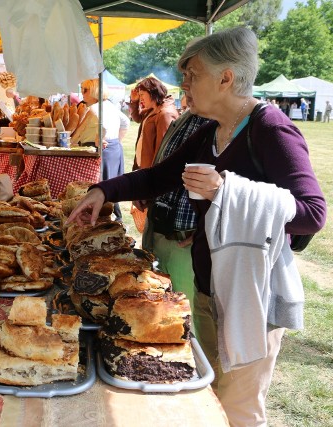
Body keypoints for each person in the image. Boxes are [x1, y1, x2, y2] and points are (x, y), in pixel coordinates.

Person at [67, 27, 326, 426]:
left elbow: (312, 211)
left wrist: (229, 189)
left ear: (226, 77)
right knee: (209, 396)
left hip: (254, 297)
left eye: (193, 74)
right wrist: (102, 191)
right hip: (210, 288)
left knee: (239, 409)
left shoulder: (271, 128)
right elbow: (158, 177)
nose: (184, 84)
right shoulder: (209, 132)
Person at [141, 97, 209, 330]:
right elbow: (165, 171)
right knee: (159, 313)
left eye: (193, 74)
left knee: (186, 321)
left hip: (187, 242)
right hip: (164, 230)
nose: (186, 83)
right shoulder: (189, 117)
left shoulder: (229, 125)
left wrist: (208, 226)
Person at [128, 76, 179, 231]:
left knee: (151, 223)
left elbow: (164, 153)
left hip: (153, 176)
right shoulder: (153, 109)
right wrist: (135, 100)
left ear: (153, 93)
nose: (141, 99)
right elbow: (137, 117)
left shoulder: (164, 113)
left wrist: (152, 181)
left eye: (143, 96)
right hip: (147, 173)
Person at [80, 78, 129, 220]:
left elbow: (104, 128)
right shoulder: (110, 105)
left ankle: (107, 216)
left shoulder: (94, 109)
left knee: (104, 185)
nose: (82, 93)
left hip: (104, 149)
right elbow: (125, 122)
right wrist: (117, 140)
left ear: (95, 91)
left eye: (85, 90)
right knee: (113, 182)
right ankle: (116, 216)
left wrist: (101, 139)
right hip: (114, 147)